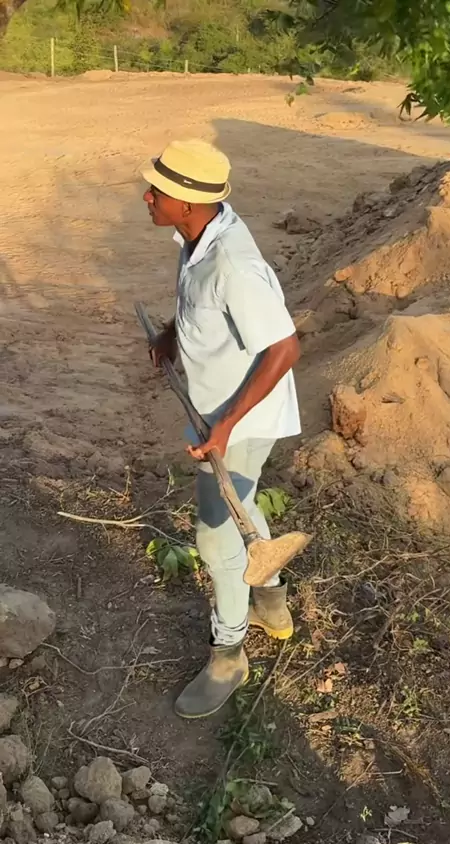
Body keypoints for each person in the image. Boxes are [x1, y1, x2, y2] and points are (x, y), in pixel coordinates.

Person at [141, 139, 301, 719]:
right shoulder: (196, 237)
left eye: (156, 192)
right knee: (243, 508)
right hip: (218, 412)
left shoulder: (233, 264)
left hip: (240, 420)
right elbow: (198, 301)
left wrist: (227, 425)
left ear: (186, 203)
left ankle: (229, 655)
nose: (147, 197)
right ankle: (271, 599)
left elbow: (284, 348)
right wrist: (171, 333)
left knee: (214, 538)